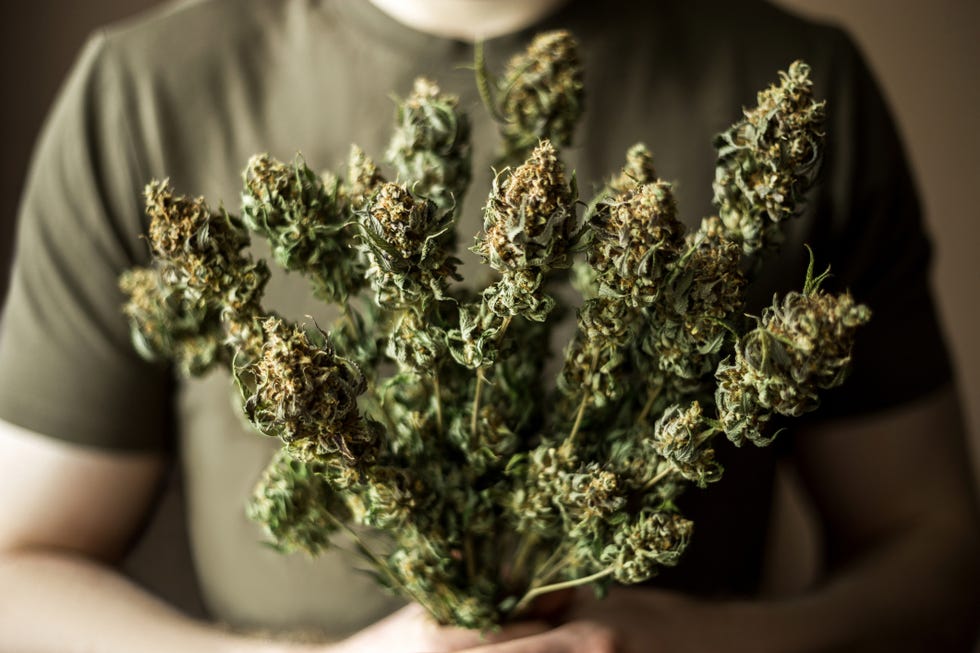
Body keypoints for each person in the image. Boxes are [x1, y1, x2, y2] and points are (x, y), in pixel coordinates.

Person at [0, 0, 977, 651]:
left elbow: (933, 557)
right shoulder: (143, 91)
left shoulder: (793, 74)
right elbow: (16, 574)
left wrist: (684, 640)